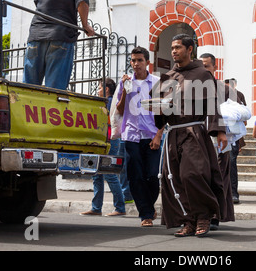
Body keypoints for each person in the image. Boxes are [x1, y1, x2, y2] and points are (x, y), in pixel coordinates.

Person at [152, 34, 228, 237]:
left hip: (193, 132)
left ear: (189, 49)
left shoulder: (202, 74)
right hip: (173, 134)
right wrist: (158, 110)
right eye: (172, 48)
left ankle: (204, 216)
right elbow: (160, 112)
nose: (174, 51)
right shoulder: (167, 77)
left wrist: (220, 131)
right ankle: (188, 220)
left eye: (178, 47)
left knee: (193, 174)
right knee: (175, 178)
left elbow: (213, 104)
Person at [23, 0, 95, 90]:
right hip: (60, 36)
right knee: (55, 89)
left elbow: (37, 2)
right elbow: (82, 1)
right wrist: (85, 25)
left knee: (28, 87)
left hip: (36, 36)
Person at [117, 46, 163, 227]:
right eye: (133, 60)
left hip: (152, 134)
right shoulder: (126, 82)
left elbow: (164, 112)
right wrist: (124, 93)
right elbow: (120, 110)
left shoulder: (158, 83)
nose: (136, 64)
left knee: (152, 175)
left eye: (139, 60)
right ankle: (146, 214)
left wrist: (159, 135)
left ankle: (148, 208)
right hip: (131, 135)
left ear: (147, 63)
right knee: (135, 177)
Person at [80, 78, 128, 217]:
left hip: (110, 141)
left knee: (109, 173)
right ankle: (96, 208)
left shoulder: (109, 103)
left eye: (100, 88)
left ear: (106, 89)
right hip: (102, 141)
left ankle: (120, 207)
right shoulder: (106, 102)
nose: (98, 90)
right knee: (97, 173)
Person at [200, 53, 235, 230]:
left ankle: (215, 215)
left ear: (214, 67)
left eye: (206, 66)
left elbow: (236, 113)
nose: (203, 69)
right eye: (201, 65)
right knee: (201, 177)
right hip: (199, 140)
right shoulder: (194, 88)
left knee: (219, 177)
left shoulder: (225, 90)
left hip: (221, 142)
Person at [225, 78, 247, 204]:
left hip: (233, 137)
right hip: (219, 135)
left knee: (232, 164)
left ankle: (233, 193)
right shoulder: (218, 95)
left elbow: (244, 117)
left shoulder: (239, 97)